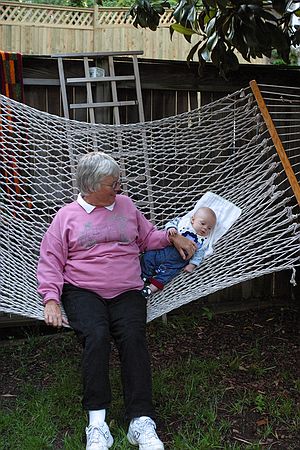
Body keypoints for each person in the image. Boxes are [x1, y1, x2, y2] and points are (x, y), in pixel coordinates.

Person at [36, 151, 197, 450]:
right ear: (91, 186)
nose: (119, 188)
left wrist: (173, 236)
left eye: (118, 182)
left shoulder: (125, 205)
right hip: (83, 290)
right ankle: (97, 424)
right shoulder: (67, 216)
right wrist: (51, 299)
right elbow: (50, 260)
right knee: (96, 336)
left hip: (127, 289)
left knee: (133, 337)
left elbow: (147, 238)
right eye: (112, 184)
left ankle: (141, 421)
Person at [141, 206, 217, 297]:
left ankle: (150, 289)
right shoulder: (183, 223)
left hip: (175, 264)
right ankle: (144, 276)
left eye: (209, 228)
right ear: (193, 220)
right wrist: (171, 228)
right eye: (202, 223)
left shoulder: (202, 242)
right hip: (162, 251)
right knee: (148, 256)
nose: (205, 228)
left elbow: (199, 255)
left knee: (166, 276)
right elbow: (171, 223)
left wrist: (192, 265)